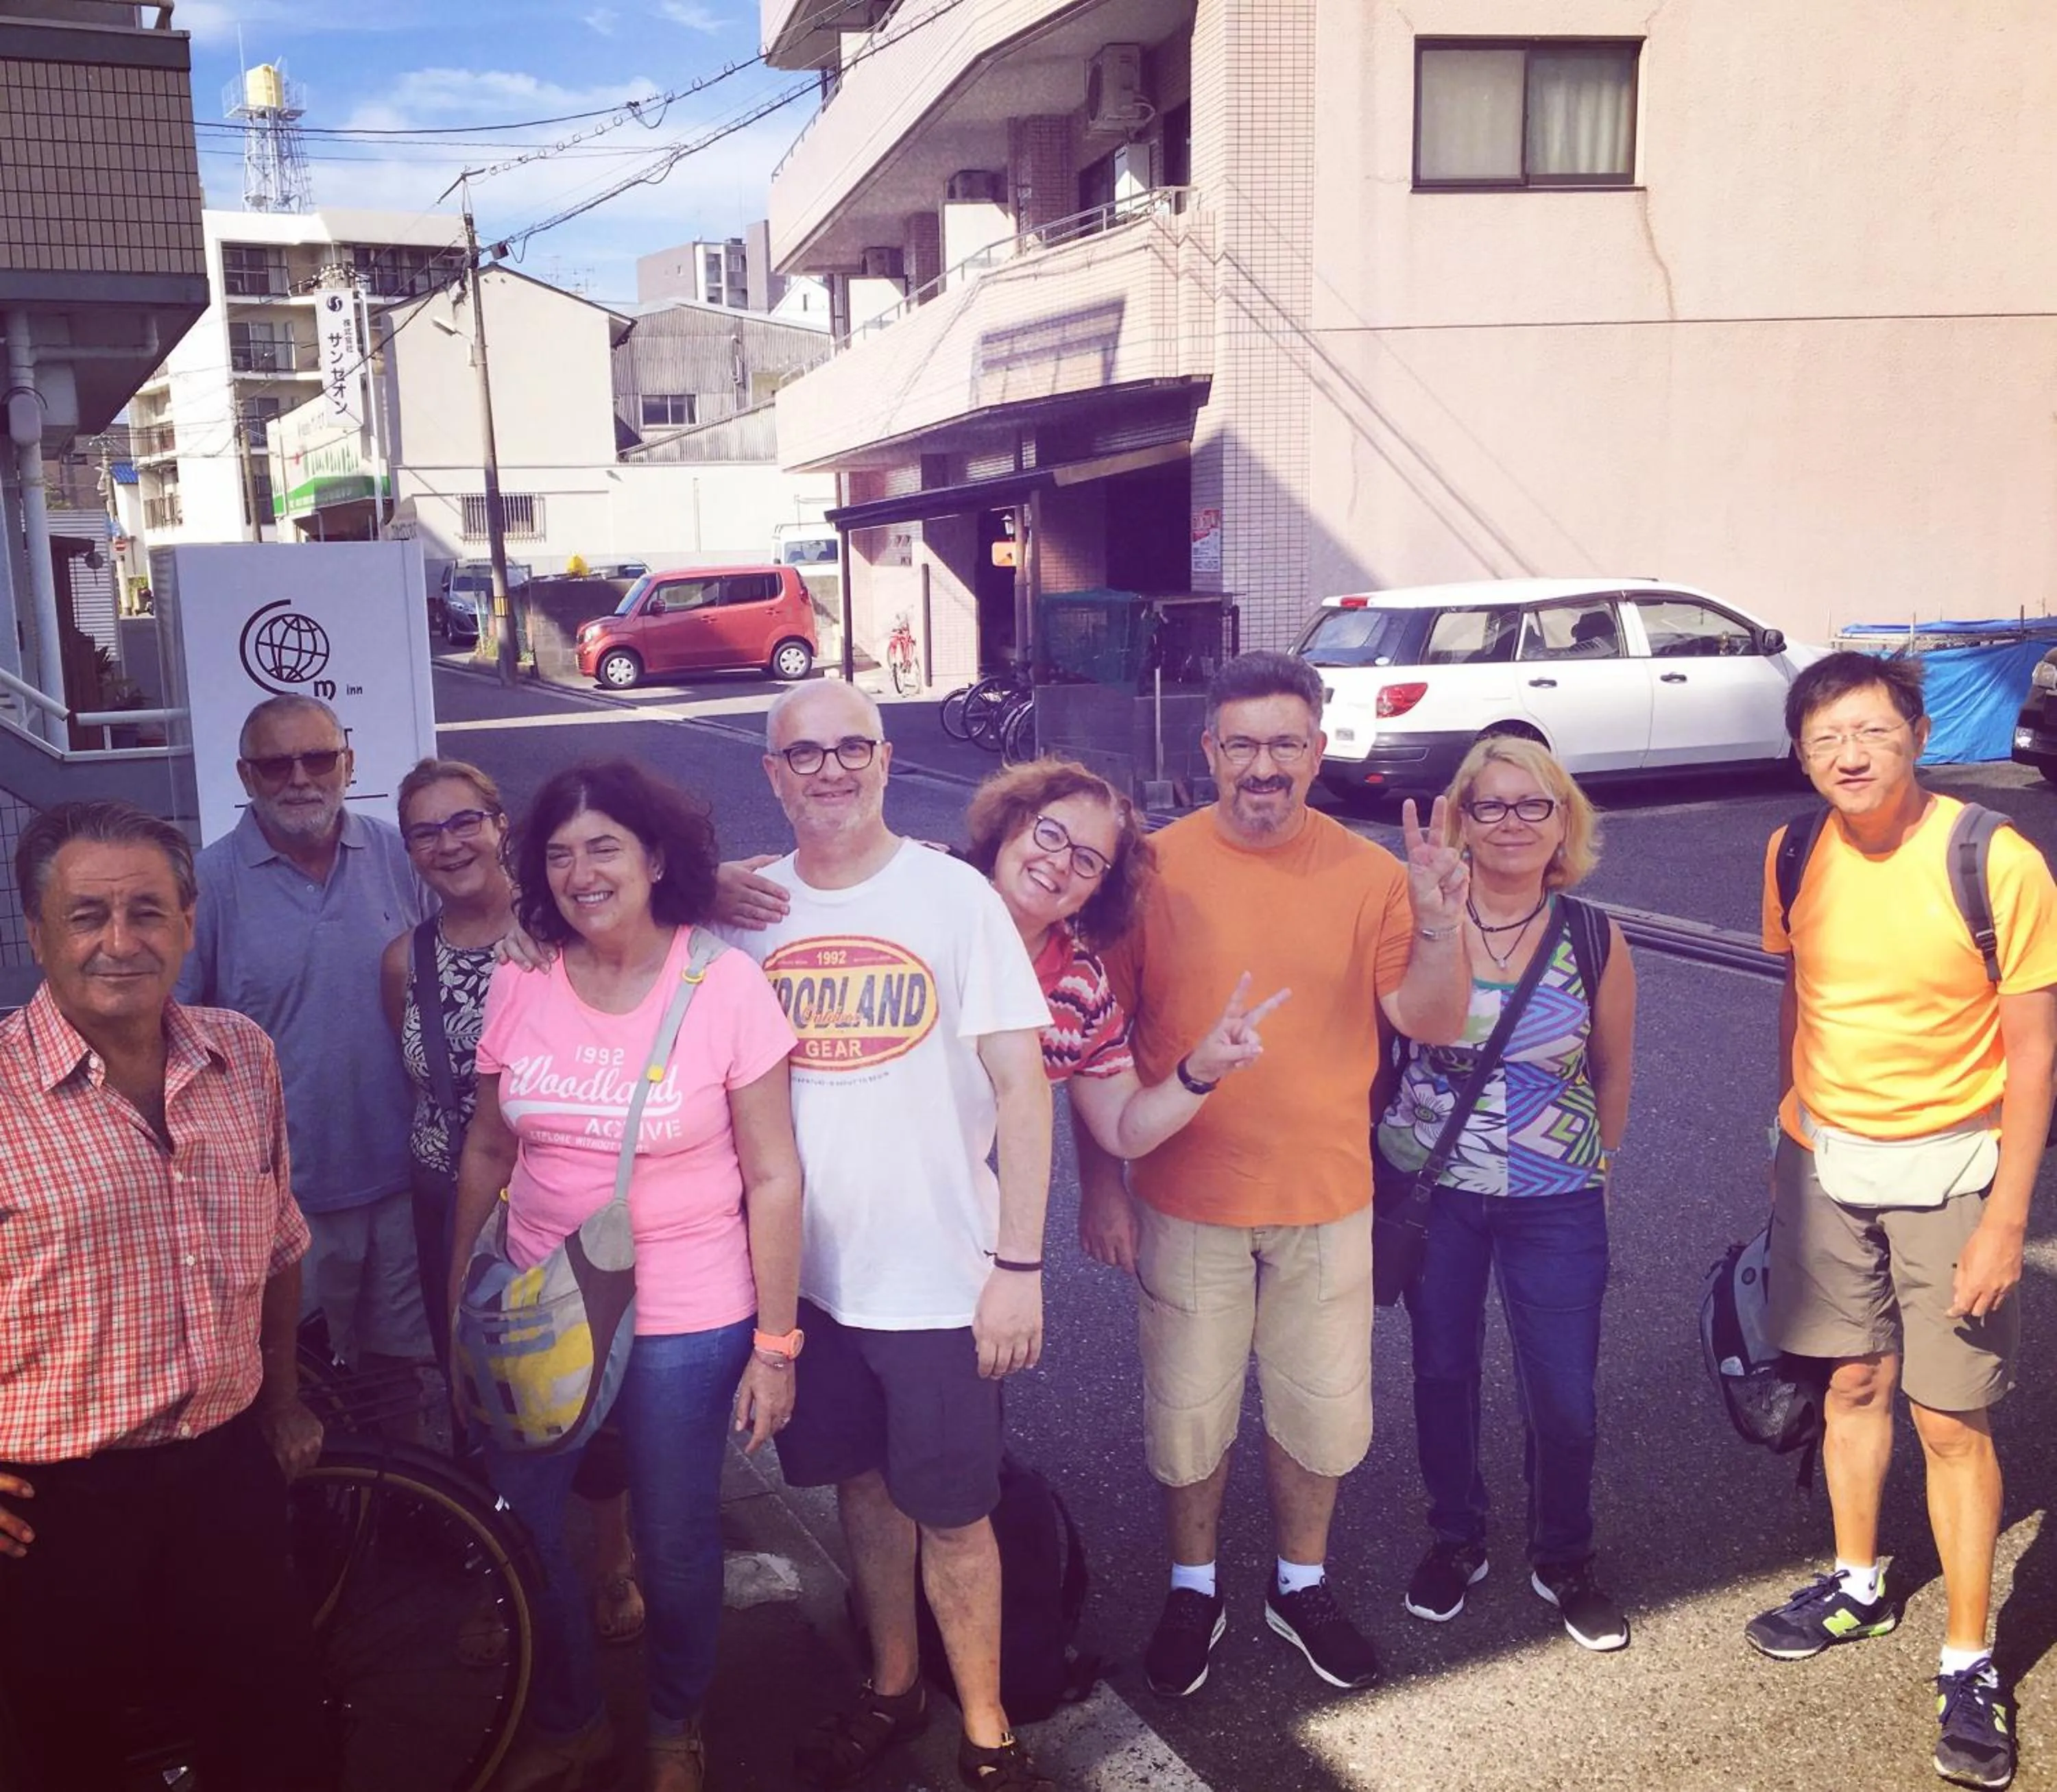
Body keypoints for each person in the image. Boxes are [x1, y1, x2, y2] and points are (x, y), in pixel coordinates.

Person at [1076, 650, 1471, 1700]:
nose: (1264, 765)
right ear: (1208, 750)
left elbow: (1429, 1019)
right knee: (1188, 1409)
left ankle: (1301, 1584)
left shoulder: (1373, 875)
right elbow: (1093, 1037)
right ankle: (1193, 1584)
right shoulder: (1149, 870)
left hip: (1326, 1198)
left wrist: (1439, 922)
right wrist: (1100, 1184)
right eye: (1241, 743)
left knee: (1321, 1407)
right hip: (1183, 1195)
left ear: (1317, 749)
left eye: (1285, 743)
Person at [724, 681, 1059, 1792]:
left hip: (935, 1282)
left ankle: (987, 1722)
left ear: (885, 758)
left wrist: (1019, 1266)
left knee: (956, 1513)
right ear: (772, 773)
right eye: (802, 753)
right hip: (807, 1284)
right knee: (862, 1491)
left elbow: (1024, 1088)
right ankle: (892, 1684)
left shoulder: (954, 898)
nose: (828, 769)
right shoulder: (744, 903)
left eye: (849, 747)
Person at [449, 760, 804, 1792]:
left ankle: (671, 1723)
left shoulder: (724, 981)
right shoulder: (522, 973)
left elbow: (775, 1172)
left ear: (655, 857)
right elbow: (485, 1149)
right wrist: (457, 1303)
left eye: (604, 846)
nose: (579, 871)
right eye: (558, 853)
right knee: (527, 1520)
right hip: (538, 1296)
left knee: (676, 1535)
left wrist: (775, 1347)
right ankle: (568, 1716)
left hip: (688, 1312)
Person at [1746, 652, 2057, 1792]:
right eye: (1825, 738)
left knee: (1950, 1416)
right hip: (1826, 1161)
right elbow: (1798, 991)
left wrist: (2005, 1218)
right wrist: (1789, 1128)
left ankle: (1970, 1657)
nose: (1850, 755)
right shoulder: (1792, 850)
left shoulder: (1994, 858)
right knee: (1852, 1384)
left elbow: (2035, 1052)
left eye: (1871, 731)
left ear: (1917, 734)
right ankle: (1859, 1580)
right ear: (1802, 754)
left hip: (1956, 1168)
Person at [0, 800, 331, 1792]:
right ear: (35, 933)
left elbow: (281, 1242)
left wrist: (280, 1400)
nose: (120, 940)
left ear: (188, 923)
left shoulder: (241, 1057)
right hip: (56, 1501)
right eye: (87, 914)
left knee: (279, 1741)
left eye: (148, 911)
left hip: (225, 1469)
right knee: (71, 1759)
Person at [1375, 736, 1636, 1650]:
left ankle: (1564, 1553)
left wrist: (1597, 1170)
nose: (1514, 822)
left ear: (1563, 819)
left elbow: (1612, 1069)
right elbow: (1396, 1029)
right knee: (1442, 1372)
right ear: (1461, 819)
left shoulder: (1595, 934)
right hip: (1435, 1191)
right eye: (1491, 805)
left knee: (1564, 1391)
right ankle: (1457, 1538)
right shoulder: (1413, 920)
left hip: (1557, 1193)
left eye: (1535, 804)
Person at [378, 757, 643, 1650]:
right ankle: (502, 1572)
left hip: (553, 1197)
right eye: (426, 830)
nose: (448, 843)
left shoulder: (563, 933)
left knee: (584, 1381)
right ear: (408, 847)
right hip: (448, 1193)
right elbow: (418, 1079)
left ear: (498, 825)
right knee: (478, 1387)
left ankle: (612, 1559)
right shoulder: (402, 959)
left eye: (465, 822)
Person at [178, 694, 435, 1394]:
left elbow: (497, 925)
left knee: (396, 1380)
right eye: (275, 763)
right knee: (297, 1382)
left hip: (401, 1179)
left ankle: (402, 1503)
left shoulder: (400, 855)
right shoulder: (206, 884)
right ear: (244, 774)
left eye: (318, 757)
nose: (299, 777)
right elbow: (173, 1041)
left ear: (347, 765)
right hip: (284, 1201)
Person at [959, 755, 1289, 1132]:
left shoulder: (1081, 986)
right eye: (1050, 834)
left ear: (1100, 890)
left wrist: (1201, 1069)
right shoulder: (927, 899)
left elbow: (1120, 1124)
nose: (1061, 862)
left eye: (1087, 859)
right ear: (1010, 825)